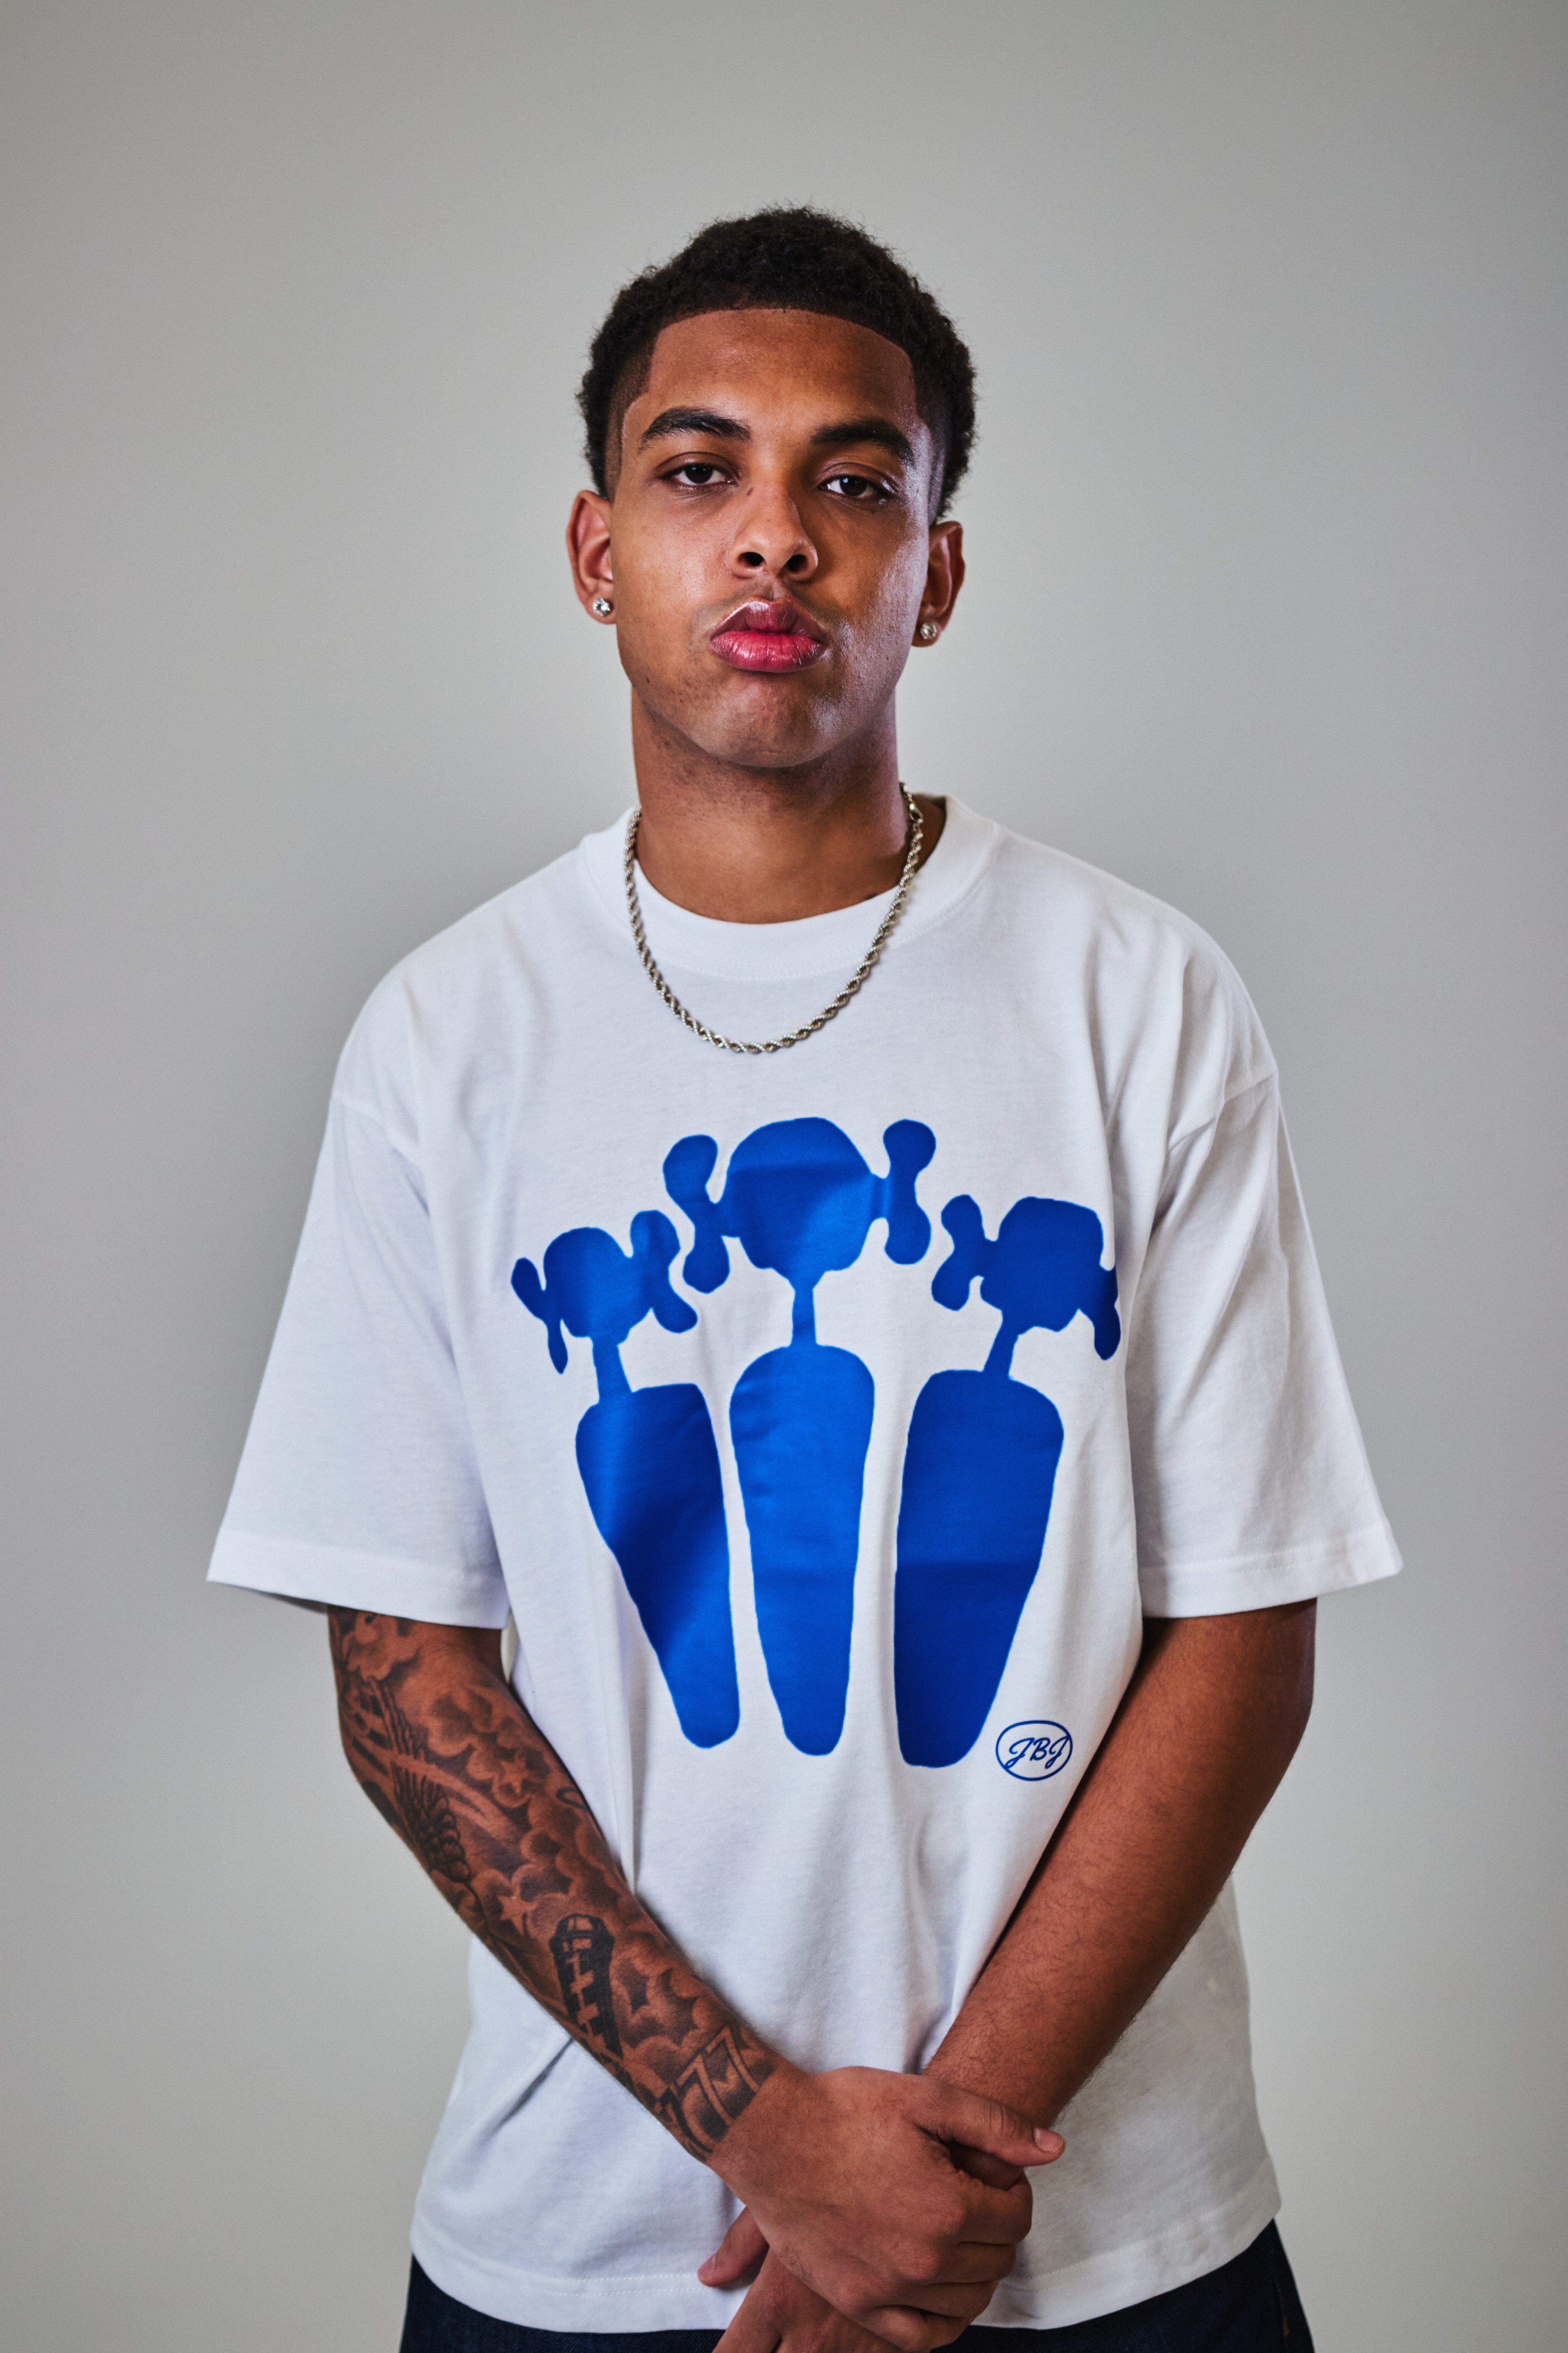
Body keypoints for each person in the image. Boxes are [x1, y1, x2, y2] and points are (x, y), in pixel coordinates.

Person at [209, 208, 1399, 2353]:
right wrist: (773, 2140)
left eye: (855, 480)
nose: (776, 535)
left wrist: (927, 2177)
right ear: (598, 552)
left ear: (937, 572)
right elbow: (405, 1669)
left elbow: (1241, 1630)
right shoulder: (447, 1039)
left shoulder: (1137, 999)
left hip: (1095, 2215)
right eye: (702, 470)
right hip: (597, 2222)